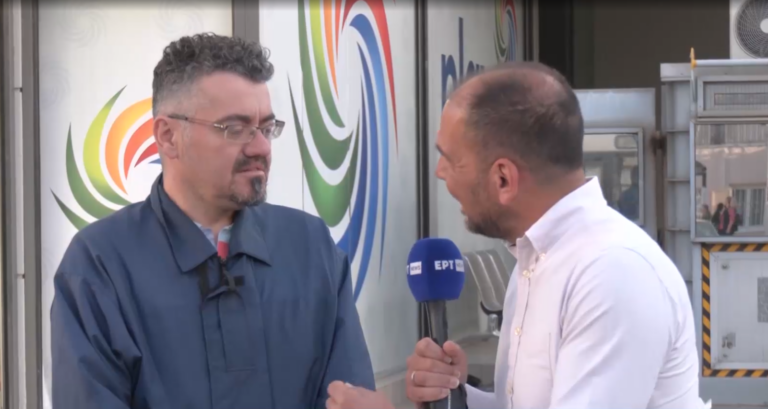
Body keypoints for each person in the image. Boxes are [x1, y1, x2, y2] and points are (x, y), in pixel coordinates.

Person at [329, 61, 708, 408]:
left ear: (503, 179)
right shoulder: (535, 260)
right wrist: (456, 395)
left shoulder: (611, 274)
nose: (439, 172)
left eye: (451, 159)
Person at [51, 33, 375, 409]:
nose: (261, 147)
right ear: (168, 137)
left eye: (266, 128)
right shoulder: (100, 265)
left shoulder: (310, 247)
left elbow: (351, 397)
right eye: (234, 129)